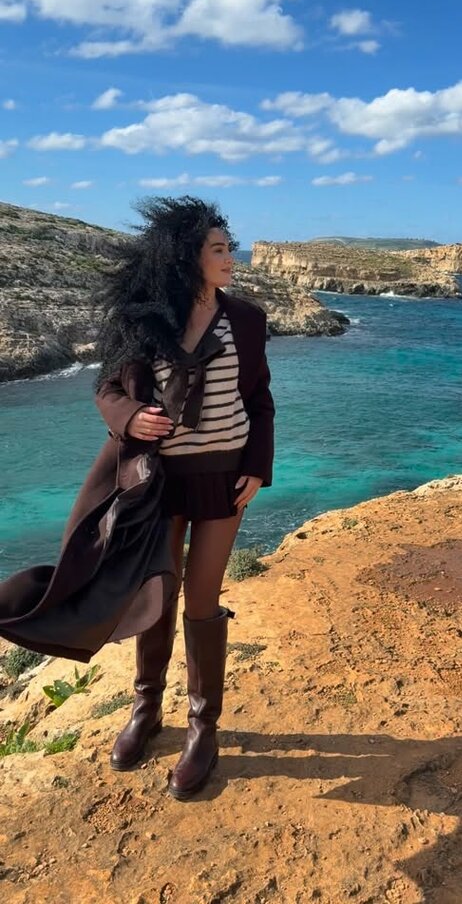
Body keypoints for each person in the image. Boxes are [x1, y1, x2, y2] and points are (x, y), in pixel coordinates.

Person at [93, 195, 275, 800]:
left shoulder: (246, 319)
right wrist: (129, 418)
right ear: (185, 258)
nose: (231, 257)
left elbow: (259, 400)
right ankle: (146, 709)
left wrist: (258, 467)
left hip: (225, 479)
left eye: (229, 248)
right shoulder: (149, 321)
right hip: (163, 480)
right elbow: (107, 388)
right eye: (218, 249)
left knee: (202, 598)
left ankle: (203, 728)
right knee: (159, 592)